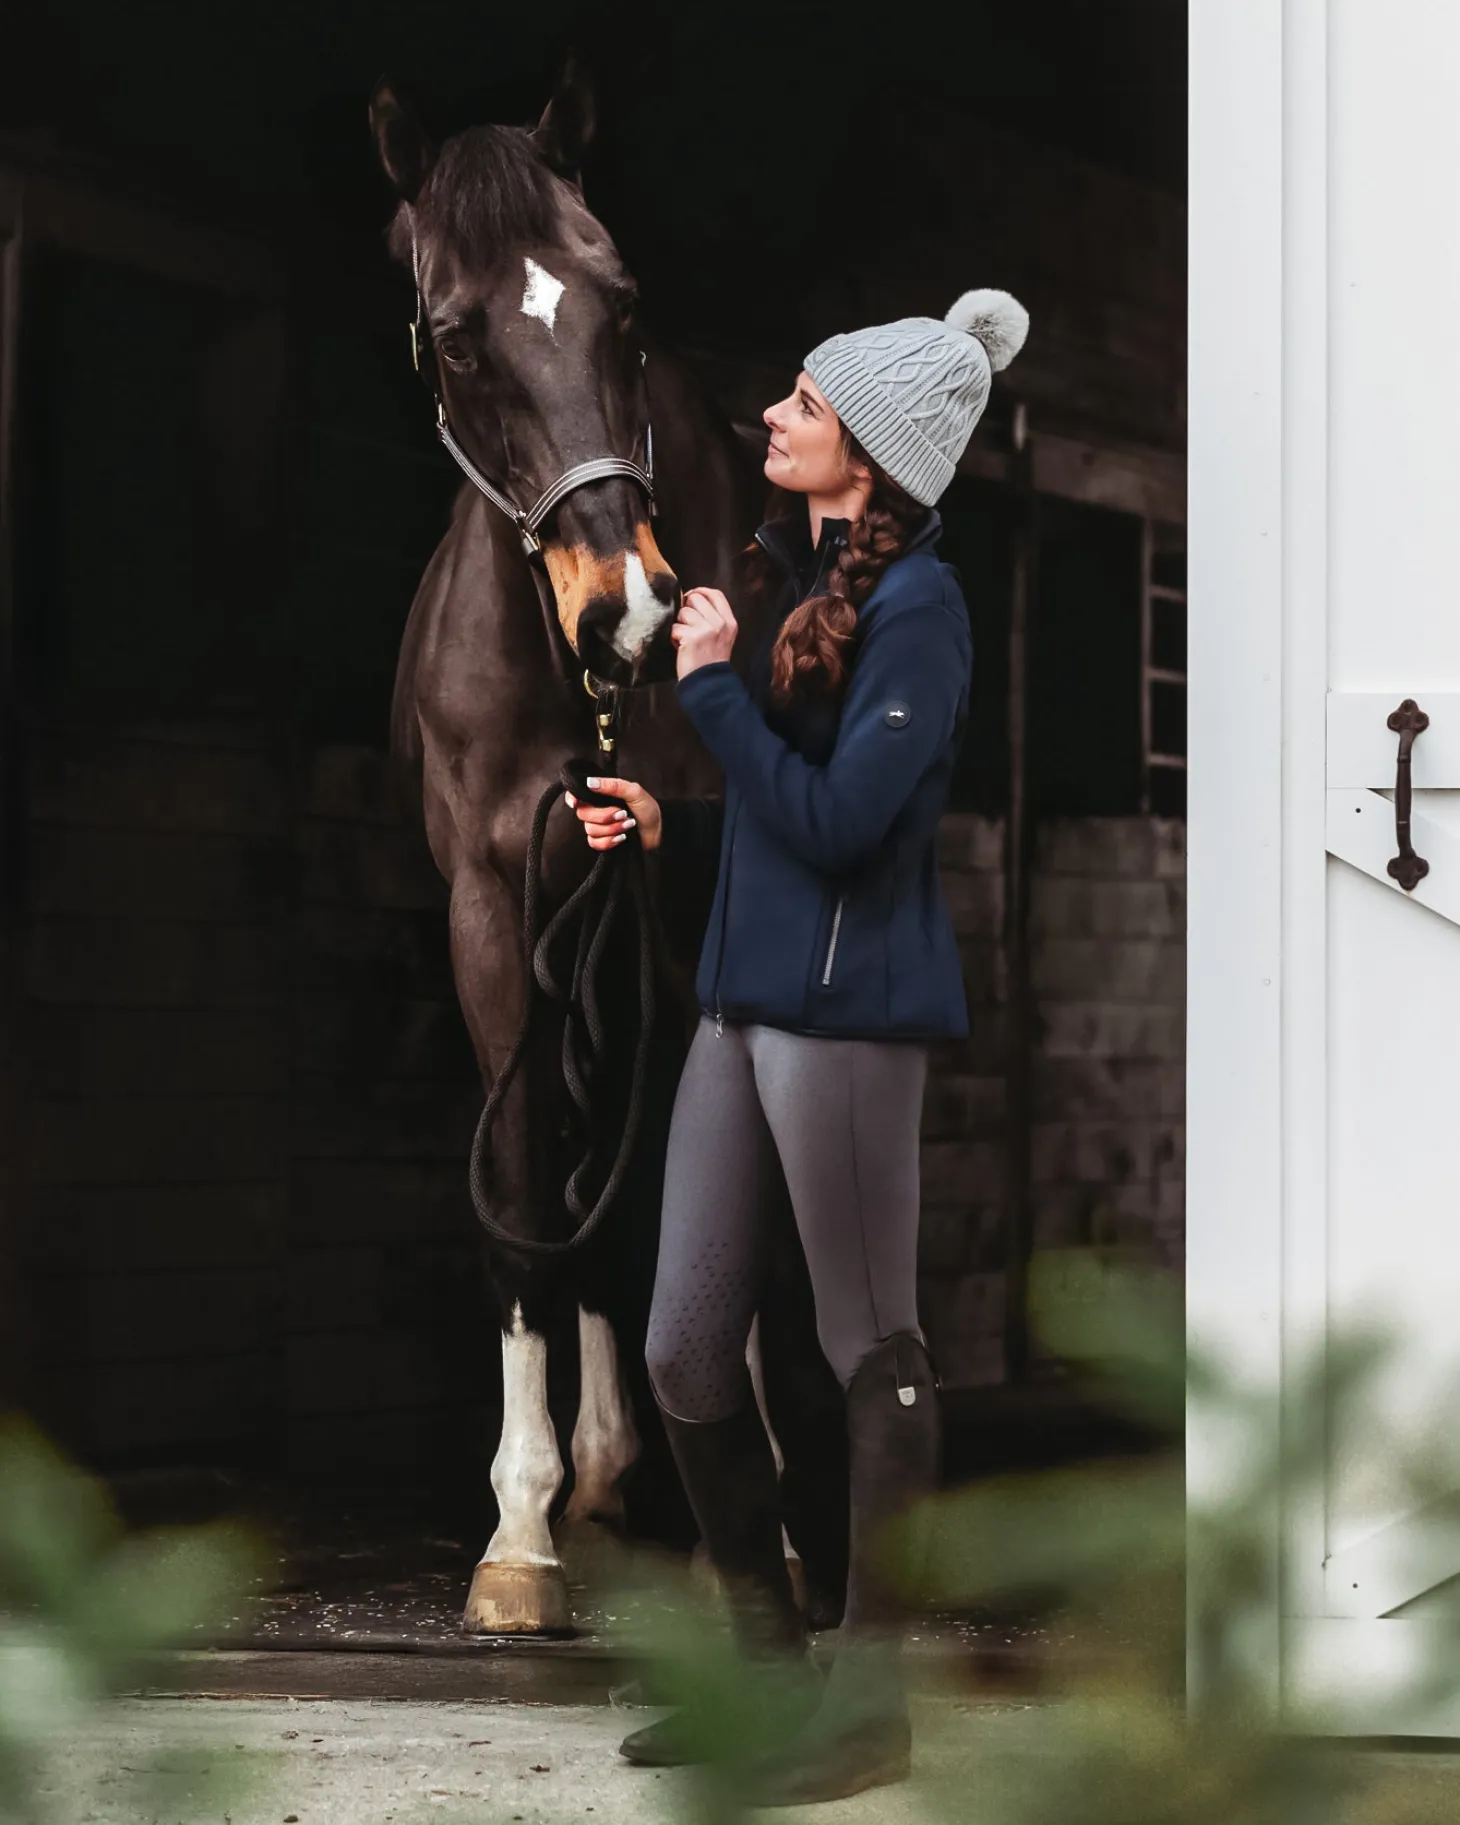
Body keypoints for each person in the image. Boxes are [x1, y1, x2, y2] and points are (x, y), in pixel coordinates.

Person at [568, 290, 1029, 1804]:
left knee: (869, 1351)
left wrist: (709, 691)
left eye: (806, 405)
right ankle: (763, 1680)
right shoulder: (795, 585)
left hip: (845, 1025)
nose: (772, 414)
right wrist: (672, 823)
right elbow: (780, 817)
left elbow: (841, 827)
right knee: (684, 1349)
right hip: (740, 1007)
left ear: (871, 457)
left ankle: (868, 1706)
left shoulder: (922, 614)